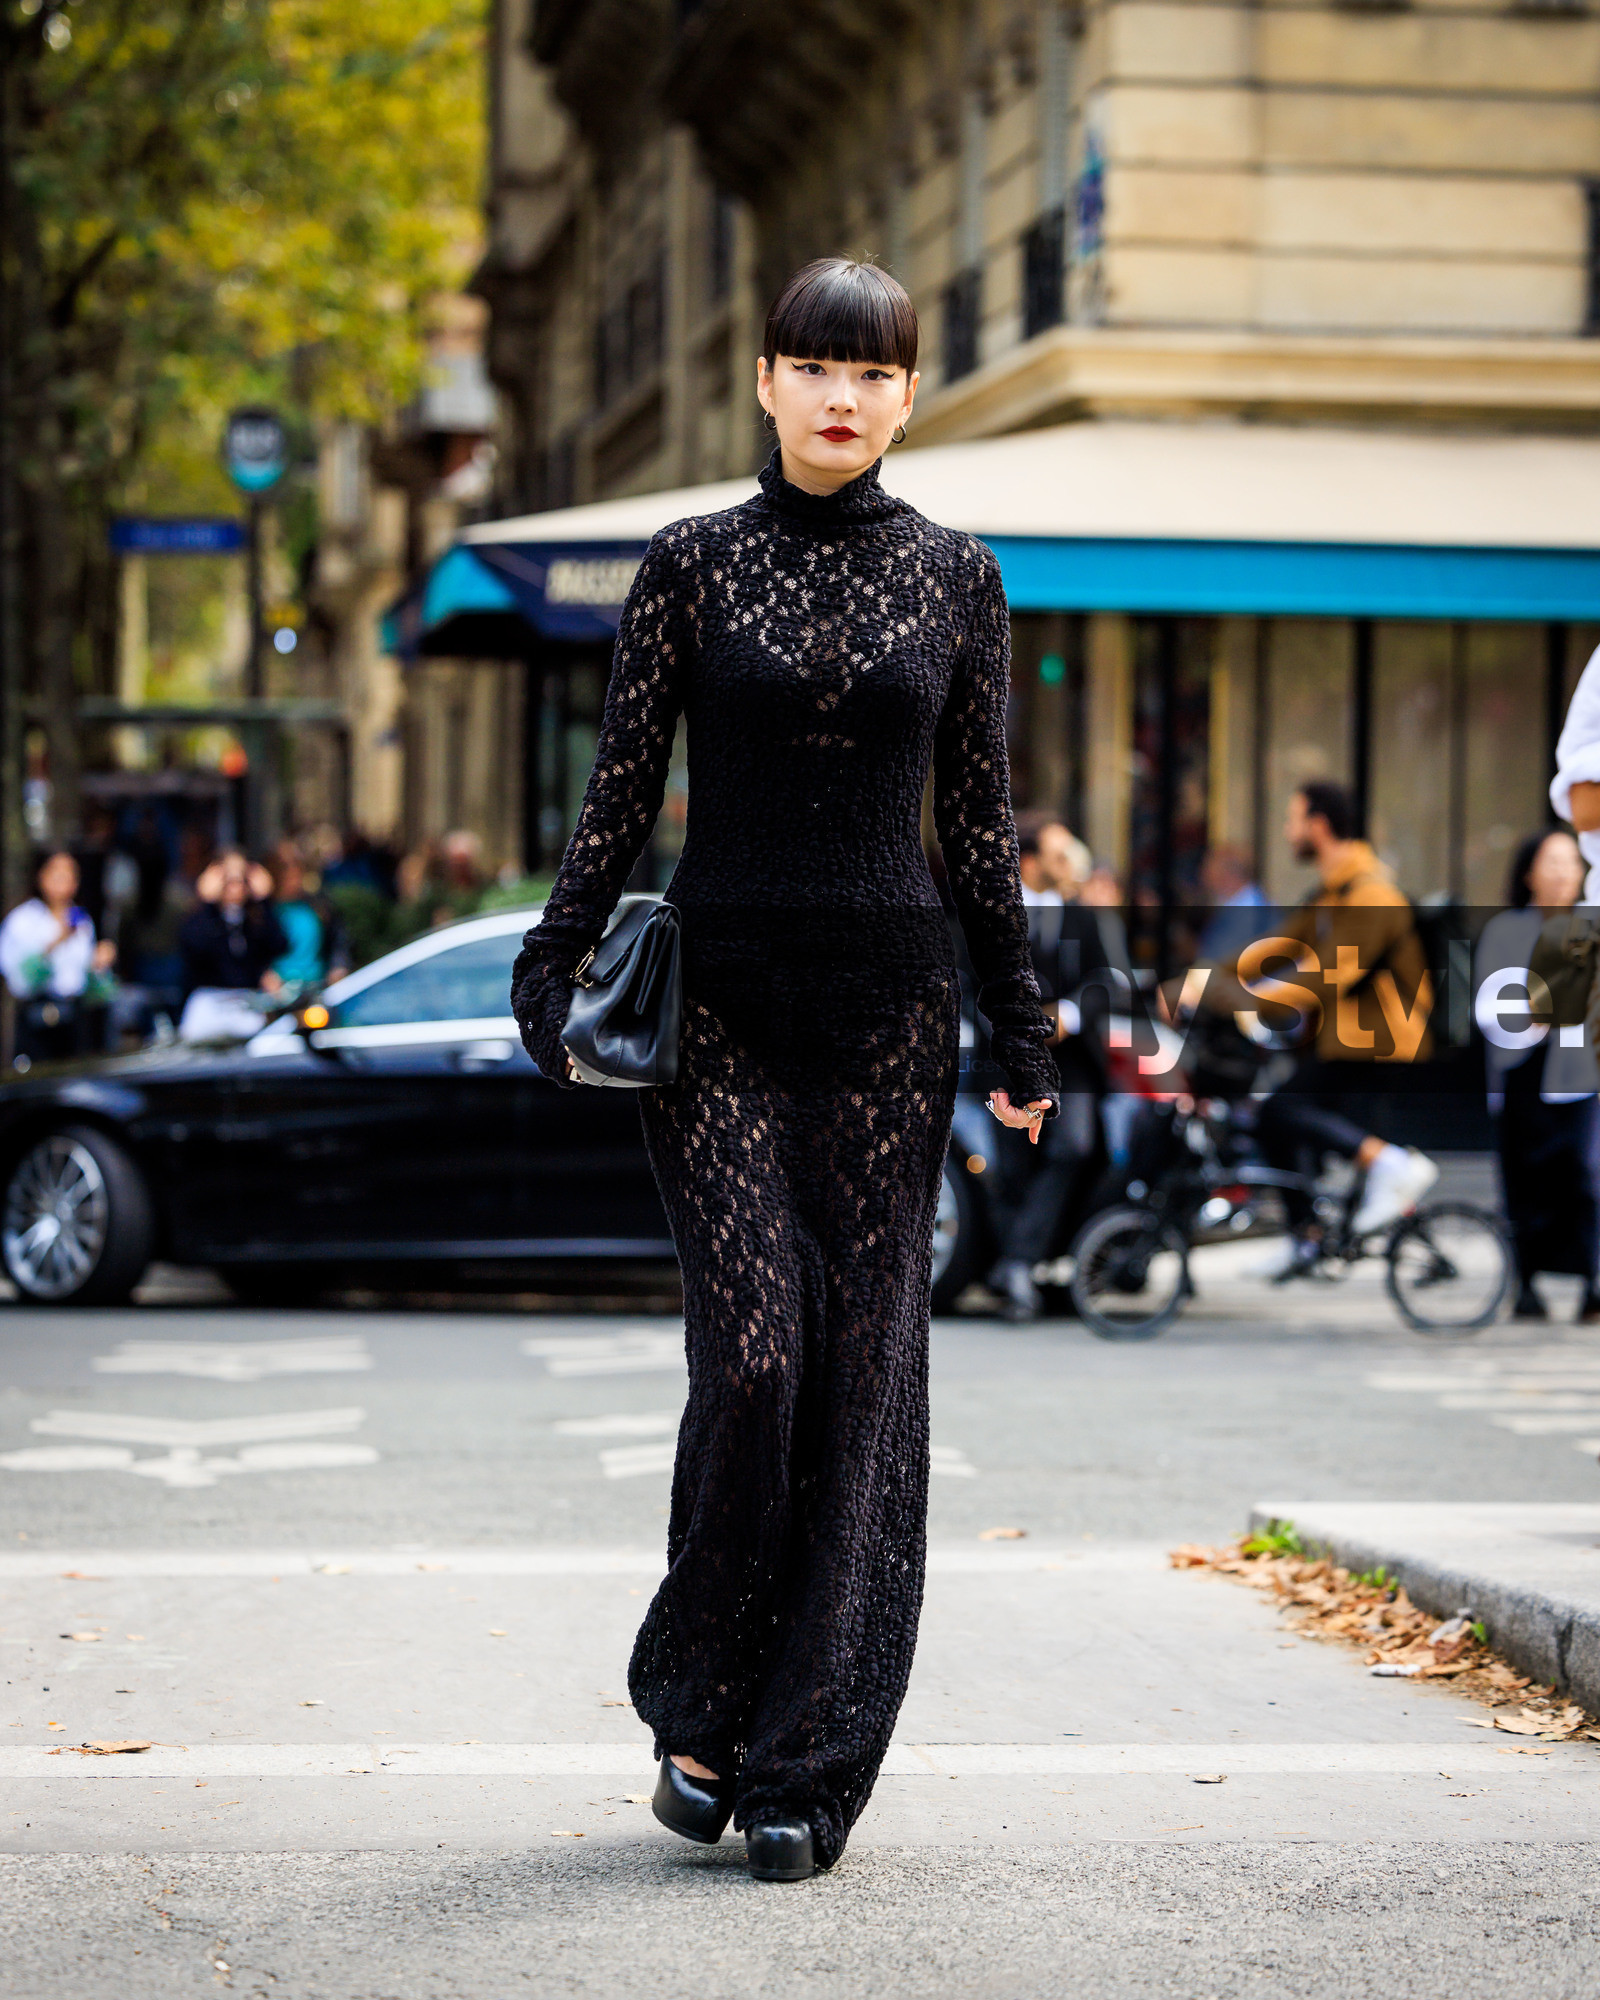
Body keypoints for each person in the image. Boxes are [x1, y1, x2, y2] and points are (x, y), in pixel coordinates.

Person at [511, 259, 1058, 1882]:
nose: (841, 392)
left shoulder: (960, 578)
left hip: (893, 1018)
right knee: (756, 1359)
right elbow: (619, 789)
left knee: (864, 1381)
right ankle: (700, 1694)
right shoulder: (687, 565)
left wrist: (1021, 1029)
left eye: (871, 370)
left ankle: (804, 1765)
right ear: (763, 380)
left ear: (906, 396)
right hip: (724, 1019)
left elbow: (980, 828)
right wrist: (552, 962)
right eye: (814, 362)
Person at [1246, 782, 1439, 1274]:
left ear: (1319, 825)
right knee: (1282, 1120)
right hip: (1344, 1040)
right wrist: (1198, 983)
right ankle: (1308, 1237)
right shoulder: (1331, 893)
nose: (1288, 831)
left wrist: (1253, 1000)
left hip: (1379, 1043)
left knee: (1280, 1111)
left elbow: (1334, 974)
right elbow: (1275, 949)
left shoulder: (1373, 892)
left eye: (1292, 820)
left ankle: (1390, 1166)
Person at [988, 811, 1112, 1320]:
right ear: (1032, 860)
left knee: (1074, 1146)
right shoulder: (992, 912)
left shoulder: (1084, 915)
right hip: (1007, 1063)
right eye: (1061, 855)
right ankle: (1018, 1270)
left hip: (1072, 1066)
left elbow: (1109, 978)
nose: (1072, 864)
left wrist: (1072, 1012)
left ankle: (1018, 1263)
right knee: (1011, 1166)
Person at [1477, 829, 1597, 1321]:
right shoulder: (1507, 930)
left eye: (1571, 862)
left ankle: (1593, 1282)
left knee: (1587, 1177)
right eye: (1551, 862)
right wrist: (1531, 1012)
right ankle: (1526, 1283)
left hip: (1583, 1073)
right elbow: (1489, 1007)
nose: (1563, 872)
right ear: (1528, 873)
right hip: (1524, 1071)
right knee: (1526, 1180)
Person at [0, 850, 117, 1068]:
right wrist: (55, 943)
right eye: (57, 873)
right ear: (41, 877)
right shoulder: (23, 920)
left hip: (74, 1019)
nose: (65, 880)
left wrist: (98, 964)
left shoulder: (81, 920)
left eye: (71, 874)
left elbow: (92, 987)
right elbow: (18, 980)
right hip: (37, 1019)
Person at [177, 852, 288, 1039]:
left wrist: (264, 901)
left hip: (246, 1001)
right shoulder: (204, 918)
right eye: (228, 880)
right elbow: (194, 948)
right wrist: (207, 904)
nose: (235, 887)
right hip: (210, 1000)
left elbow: (278, 945)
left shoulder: (254, 920)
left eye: (241, 880)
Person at [269, 844, 350, 989]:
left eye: (297, 875)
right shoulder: (264, 909)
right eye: (288, 877)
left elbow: (338, 939)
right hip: (277, 989)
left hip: (316, 984)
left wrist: (338, 967)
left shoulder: (317, 904)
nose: (295, 882)